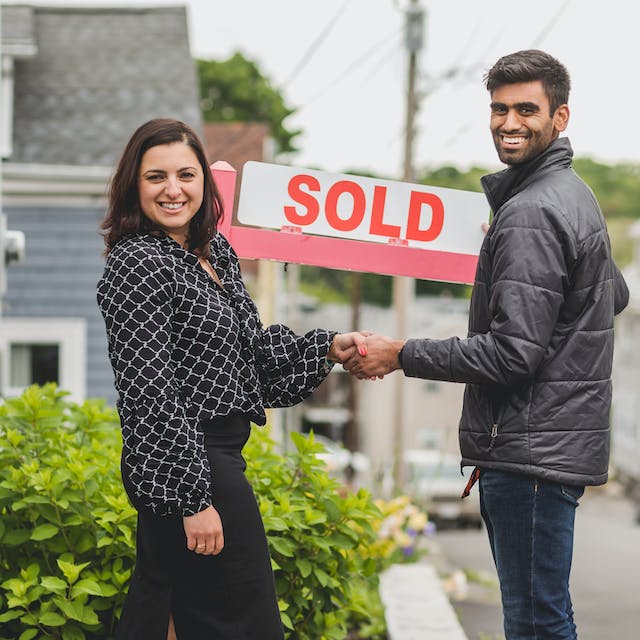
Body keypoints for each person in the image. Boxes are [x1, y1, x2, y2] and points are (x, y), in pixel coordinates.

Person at [343, 50, 629, 639]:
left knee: (534, 623)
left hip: (531, 452)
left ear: (560, 117)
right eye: (499, 108)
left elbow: (513, 354)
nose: (508, 121)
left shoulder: (532, 211)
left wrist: (401, 353)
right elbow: (612, 293)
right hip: (545, 449)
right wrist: (522, 254)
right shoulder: (570, 196)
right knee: (543, 616)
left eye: (527, 108)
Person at [96, 118, 367, 640]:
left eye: (185, 174)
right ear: (134, 185)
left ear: (204, 181)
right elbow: (150, 395)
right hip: (189, 461)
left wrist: (327, 347)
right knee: (241, 621)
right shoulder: (137, 264)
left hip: (215, 455)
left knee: (172, 610)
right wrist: (192, 499)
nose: (173, 190)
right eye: (156, 177)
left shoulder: (213, 253)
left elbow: (252, 354)